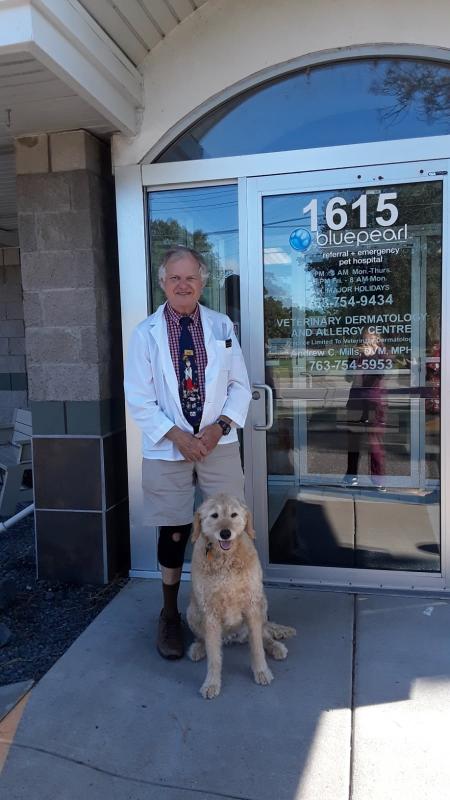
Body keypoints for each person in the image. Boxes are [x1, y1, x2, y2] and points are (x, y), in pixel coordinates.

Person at [124, 245, 251, 659]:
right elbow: (139, 397)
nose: (183, 285)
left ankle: (234, 607)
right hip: (167, 446)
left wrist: (218, 429)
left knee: (230, 527)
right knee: (175, 531)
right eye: (174, 278)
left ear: (203, 282)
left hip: (218, 442)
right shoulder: (145, 333)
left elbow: (239, 386)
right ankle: (169, 616)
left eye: (190, 277)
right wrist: (177, 436)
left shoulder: (220, 326)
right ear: (163, 282)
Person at [343, 327, 387, 491]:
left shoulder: (382, 353)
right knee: (353, 441)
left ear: (377, 339)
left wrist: (374, 355)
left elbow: (382, 374)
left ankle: (378, 480)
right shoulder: (355, 352)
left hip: (374, 401)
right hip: (356, 399)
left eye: (371, 338)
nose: (367, 340)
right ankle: (351, 476)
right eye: (365, 338)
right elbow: (347, 377)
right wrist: (356, 359)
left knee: (374, 441)